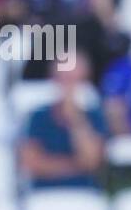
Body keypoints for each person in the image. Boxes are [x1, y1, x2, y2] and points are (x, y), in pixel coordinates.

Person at [20, 52, 107, 189]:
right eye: (63, 78)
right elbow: (31, 163)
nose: (68, 86)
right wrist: (77, 165)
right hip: (44, 196)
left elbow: (92, 161)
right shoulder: (38, 116)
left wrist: (76, 118)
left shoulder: (95, 116)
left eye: (73, 79)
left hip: (85, 196)